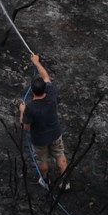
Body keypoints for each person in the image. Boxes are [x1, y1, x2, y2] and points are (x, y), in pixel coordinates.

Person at [19, 52, 69, 189]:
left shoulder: (30, 108)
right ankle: (65, 183)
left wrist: (22, 111)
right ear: (44, 89)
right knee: (60, 156)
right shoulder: (51, 95)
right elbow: (46, 76)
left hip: (40, 139)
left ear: (33, 91)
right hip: (55, 134)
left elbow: (26, 127)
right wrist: (36, 62)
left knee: (42, 160)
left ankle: (46, 181)